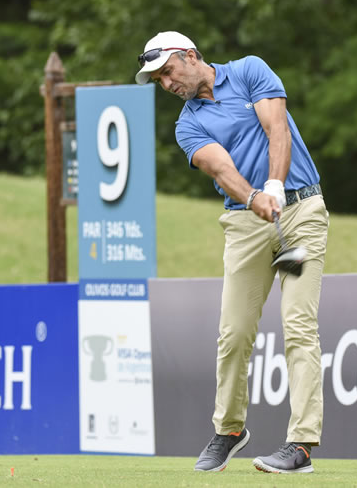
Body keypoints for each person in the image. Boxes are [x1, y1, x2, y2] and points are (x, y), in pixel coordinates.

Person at [135, 31, 329, 474]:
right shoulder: (188, 124)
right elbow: (221, 168)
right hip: (245, 223)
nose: (167, 84)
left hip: (301, 211)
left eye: (167, 72)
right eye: (158, 80)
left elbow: (275, 127)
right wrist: (255, 198)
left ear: (189, 56)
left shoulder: (248, 71)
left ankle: (300, 445)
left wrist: (275, 188)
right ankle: (229, 429)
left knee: (299, 325)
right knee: (234, 333)